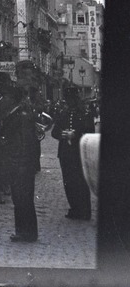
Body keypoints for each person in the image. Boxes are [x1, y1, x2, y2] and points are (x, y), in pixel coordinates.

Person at [0, 82, 41, 242]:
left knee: (23, 199)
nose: (4, 100)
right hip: (20, 163)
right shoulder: (18, 114)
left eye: (6, 97)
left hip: (21, 164)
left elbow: (24, 143)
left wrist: (18, 163)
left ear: (12, 99)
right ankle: (24, 231)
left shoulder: (20, 116)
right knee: (20, 199)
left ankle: (27, 233)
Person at [52, 85, 95, 220]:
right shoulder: (63, 113)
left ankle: (85, 211)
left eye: (72, 99)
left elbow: (90, 133)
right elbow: (54, 132)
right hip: (65, 153)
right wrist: (62, 134)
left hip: (79, 152)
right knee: (68, 182)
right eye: (68, 99)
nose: (70, 102)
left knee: (81, 181)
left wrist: (75, 134)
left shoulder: (85, 113)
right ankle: (75, 208)